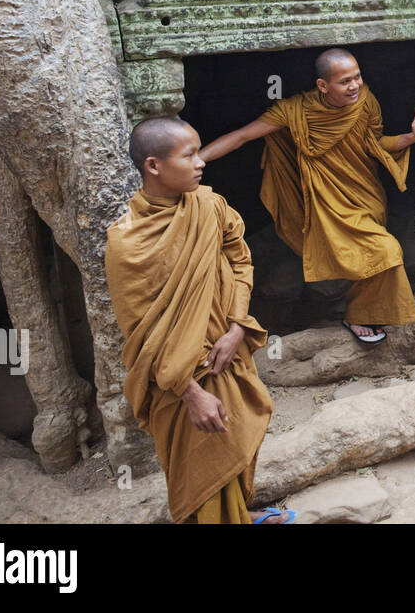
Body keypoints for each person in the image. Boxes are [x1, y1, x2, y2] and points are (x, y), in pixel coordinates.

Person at [106, 117, 288, 524]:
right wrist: (190, 392)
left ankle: (239, 516)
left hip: (226, 348)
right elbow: (141, 335)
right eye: (188, 155)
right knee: (200, 462)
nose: (200, 162)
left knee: (238, 437)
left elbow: (240, 260)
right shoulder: (127, 241)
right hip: (180, 377)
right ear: (153, 166)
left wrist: (238, 326)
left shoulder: (210, 205)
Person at [199, 48, 415, 346]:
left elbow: (374, 143)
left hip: (365, 195)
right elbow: (243, 136)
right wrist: (197, 159)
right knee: (386, 251)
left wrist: (410, 138)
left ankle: (359, 312)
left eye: (357, 77)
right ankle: (357, 316)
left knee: (371, 255)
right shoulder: (293, 111)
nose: (355, 85)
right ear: (322, 86)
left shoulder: (365, 100)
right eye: (345, 81)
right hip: (326, 204)